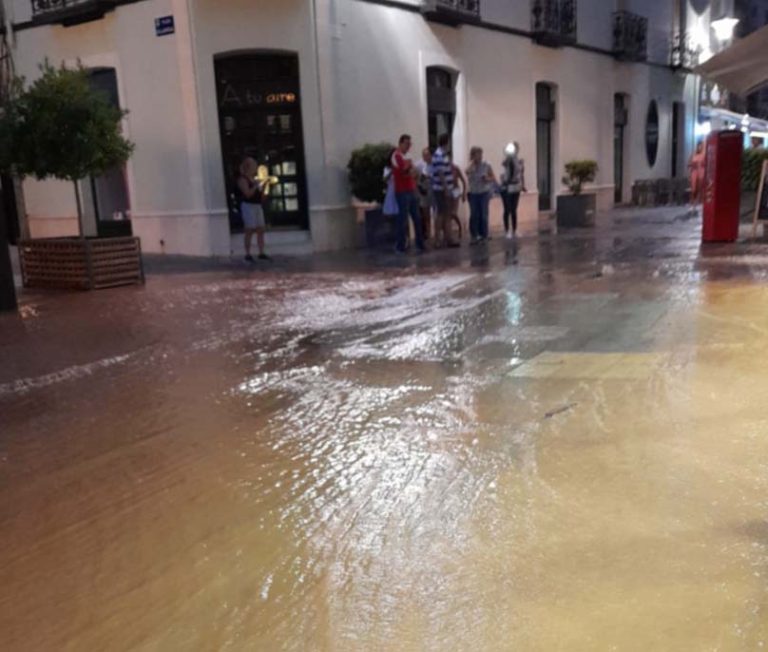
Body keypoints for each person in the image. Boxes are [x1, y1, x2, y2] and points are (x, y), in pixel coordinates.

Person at [391, 134, 425, 254]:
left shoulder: (408, 156)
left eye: (410, 144)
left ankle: (420, 243)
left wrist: (410, 169)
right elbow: (404, 171)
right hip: (402, 190)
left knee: (417, 217)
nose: (408, 146)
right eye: (406, 144)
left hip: (411, 189)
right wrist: (410, 169)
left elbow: (414, 171)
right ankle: (400, 246)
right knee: (403, 219)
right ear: (400, 143)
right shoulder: (396, 155)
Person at [236, 157, 270, 262]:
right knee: (249, 229)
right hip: (248, 206)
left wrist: (265, 187)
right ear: (248, 167)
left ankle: (261, 252)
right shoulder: (242, 179)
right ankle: (247, 253)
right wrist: (255, 186)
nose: (255, 168)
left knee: (261, 229)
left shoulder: (256, 179)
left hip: (257, 206)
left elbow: (262, 198)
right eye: (254, 165)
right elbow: (247, 194)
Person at [431, 134, 460, 248]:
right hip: (441, 189)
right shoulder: (439, 155)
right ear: (447, 142)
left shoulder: (444, 155)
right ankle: (438, 239)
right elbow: (440, 173)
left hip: (447, 187)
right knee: (441, 213)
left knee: (447, 213)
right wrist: (446, 188)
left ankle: (448, 237)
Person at [466, 146, 496, 243]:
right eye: (477, 154)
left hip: (484, 192)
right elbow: (467, 172)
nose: (479, 156)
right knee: (474, 214)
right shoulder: (470, 166)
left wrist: (487, 178)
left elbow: (493, 177)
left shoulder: (486, 165)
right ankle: (475, 235)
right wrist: (472, 165)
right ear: (473, 155)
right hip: (473, 193)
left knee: (484, 214)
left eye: (480, 154)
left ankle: (484, 234)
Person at [500, 142, 526, 239]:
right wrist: (508, 156)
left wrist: (523, 185)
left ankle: (514, 230)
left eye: (516, 148)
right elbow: (504, 164)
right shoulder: (508, 159)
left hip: (516, 186)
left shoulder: (519, 161)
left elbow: (521, 174)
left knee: (514, 209)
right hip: (507, 186)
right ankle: (507, 230)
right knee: (507, 208)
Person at [416, 147, 433, 241]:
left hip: (434, 192)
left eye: (426, 155)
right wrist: (420, 188)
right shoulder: (422, 166)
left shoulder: (435, 166)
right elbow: (419, 180)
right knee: (426, 216)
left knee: (437, 214)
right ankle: (428, 235)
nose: (425, 157)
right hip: (425, 192)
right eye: (423, 155)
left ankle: (438, 236)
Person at [688, 141, 706, 208]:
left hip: (702, 173)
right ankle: (693, 203)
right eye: (699, 146)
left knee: (700, 187)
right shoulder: (693, 155)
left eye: (701, 146)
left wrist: (703, 164)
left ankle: (700, 202)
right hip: (694, 173)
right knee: (694, 188)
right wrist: (692, 166)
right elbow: (689, 164)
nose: (700, 148)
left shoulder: (704, 155)